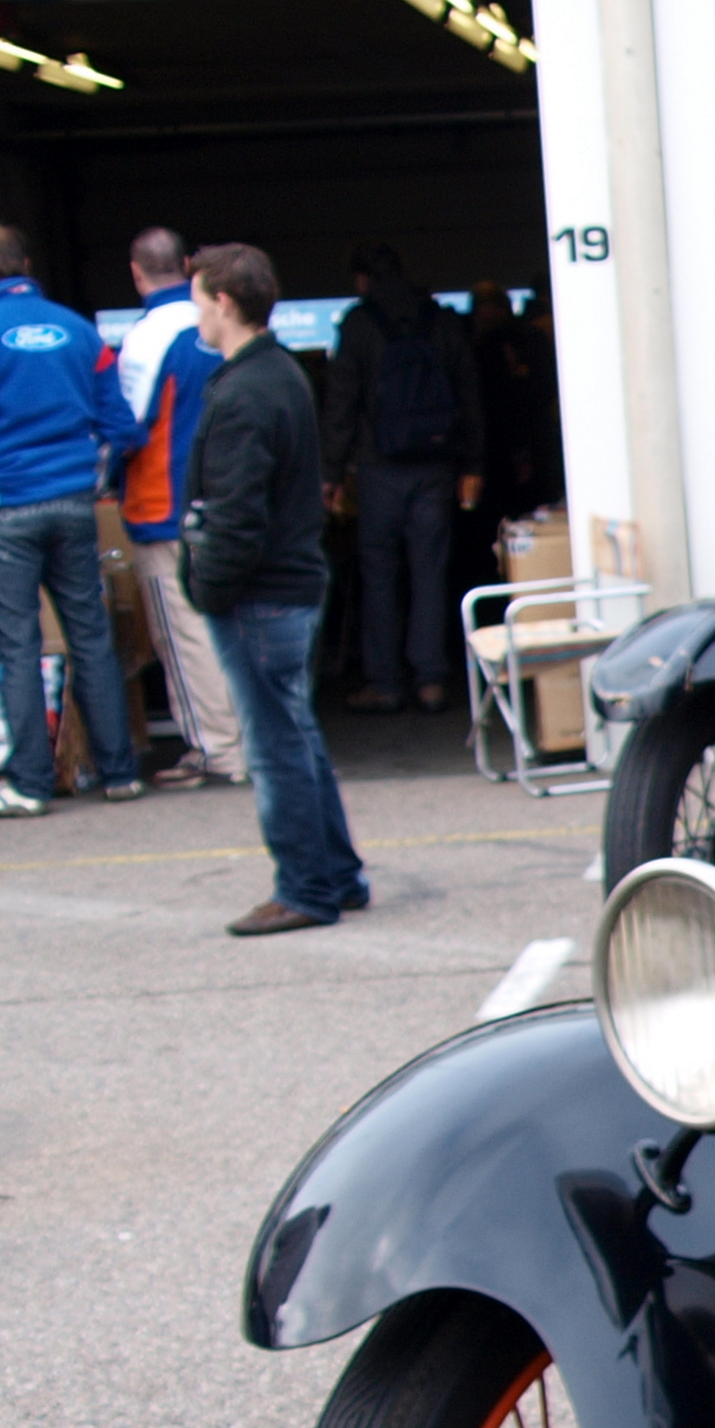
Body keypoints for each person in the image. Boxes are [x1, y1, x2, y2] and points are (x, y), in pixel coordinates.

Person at [0, 221, 144, 816]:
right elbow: (122, 426)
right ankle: (120, 772)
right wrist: (94, 477)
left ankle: (29, 783)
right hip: (74, 505)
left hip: (3, 512)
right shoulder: (79, 331)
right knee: (91, 636)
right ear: (26, 264)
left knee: (17, 646)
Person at [183, 242, 368, 935]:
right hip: (290, 583)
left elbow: (236, 512)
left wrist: (207, 587)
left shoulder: (243, 393)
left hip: (260, 594)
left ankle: (305, 888)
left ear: (225, 302)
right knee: (297, 732)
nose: (196, 315)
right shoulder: (281, 374)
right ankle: (337, 875)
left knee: (275, 746)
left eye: (200, 301)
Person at [321, 242, 483, 713]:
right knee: (430, 571)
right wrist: (473, 463)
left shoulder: (358, 324)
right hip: (436, 467)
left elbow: (341, 402)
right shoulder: (442, 321)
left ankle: (385, 682)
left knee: (379, 575)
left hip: (379, 468)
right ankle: (432, 679)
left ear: (361, 280)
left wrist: (331, 471)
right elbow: (468, 393)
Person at [114, 226, 244, 789]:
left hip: (164, 506)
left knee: (184, 632)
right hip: (232, 499)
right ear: (189, 264)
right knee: (234, 624)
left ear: (136, 273)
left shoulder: (145, 338)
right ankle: (252, 741)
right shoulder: (228, 322)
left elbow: (123, 426)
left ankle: (216, 750)